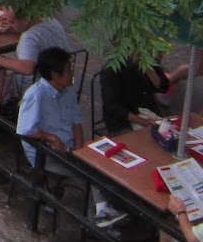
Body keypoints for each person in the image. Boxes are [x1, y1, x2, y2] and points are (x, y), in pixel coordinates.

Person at [19, 49, 128, 226]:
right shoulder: (35, 95)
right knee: (88, 172)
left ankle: (103, 211)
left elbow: (77, 121)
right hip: (46, 154)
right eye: (69, 70)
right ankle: (99, 216)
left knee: (99, 163)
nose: (72, 73)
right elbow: (25, 130)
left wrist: (79, 149)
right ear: (55, 74)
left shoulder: (68, 91)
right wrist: (50, 137)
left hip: (69, 148)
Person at [0, 6, 72, 102]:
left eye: (12, 22)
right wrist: (13, 26)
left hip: (32, 89)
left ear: (25, 18)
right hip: (57, 80)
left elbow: (27, 68)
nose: (10, 25)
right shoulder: (51, 21)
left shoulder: (28, 38)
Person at [99, 55, 189, 134]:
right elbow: (112, 106)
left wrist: (148, 69)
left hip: (149, 113)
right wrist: (141, 121)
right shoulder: (112, 70)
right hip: (123, 121)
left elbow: (163, 87)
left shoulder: (148, 60)